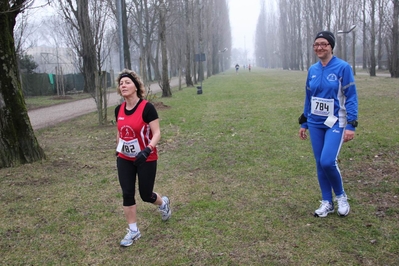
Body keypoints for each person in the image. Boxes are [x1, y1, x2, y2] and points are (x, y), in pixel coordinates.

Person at [298, 31, 358, 218]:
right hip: (315, 123)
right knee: (319, 163)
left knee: (327, 161)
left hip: (335, 122)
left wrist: (351, 124)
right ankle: (327, 202)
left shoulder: (343, 68)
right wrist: (304, 122)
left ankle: (341, 197)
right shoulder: (313, 70)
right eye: (316, 44)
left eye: (324, 44)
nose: (319, 47)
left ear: (331, 46)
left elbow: (351, 97)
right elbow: (309, 97)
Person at [115, 69, 171, 247]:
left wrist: (147, 150)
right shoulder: (118, 109)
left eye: (127, 82)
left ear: (136, 86)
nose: (123, 85)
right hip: (125, 158)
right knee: (127, 193)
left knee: (146, 195)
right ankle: (133, 231)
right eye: (121, 83)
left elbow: (157, 133)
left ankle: (163, 203)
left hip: (146, 157)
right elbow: (120, 131)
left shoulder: (147, 108)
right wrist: (118, 150)